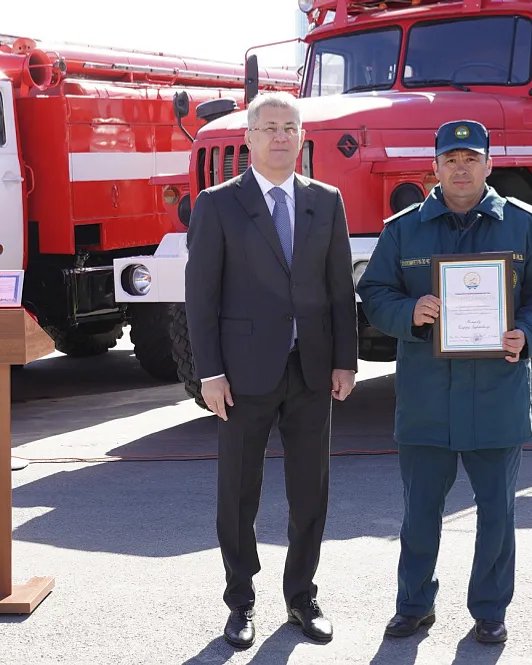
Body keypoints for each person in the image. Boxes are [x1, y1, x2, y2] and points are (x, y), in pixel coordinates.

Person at [357, 120, 532, 644]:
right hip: (427, 396)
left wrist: (528, 333)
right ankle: (413, 605)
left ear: (488, 165)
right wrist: (410, 312)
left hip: (496, 393)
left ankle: (490, 610)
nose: (461, 168)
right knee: (419, 512)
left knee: (497, 513)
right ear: (434, 167)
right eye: (451, 160)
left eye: (471, 158)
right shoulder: (404, 229)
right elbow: (375, 292)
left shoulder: (524, 225)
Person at [184, 91, 358, 648]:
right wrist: (210, 372)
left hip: (311, 371)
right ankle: (240, 601)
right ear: (250, 138)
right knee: (239, 493)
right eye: (270, 127)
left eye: (289, 127)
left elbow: (339, 289)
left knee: (311, 493)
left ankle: (302, 596)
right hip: (241, 376)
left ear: (301, 137)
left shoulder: (326, 201)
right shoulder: (217, 204)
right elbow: (201, 297)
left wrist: (345, 360)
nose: (280, 136)